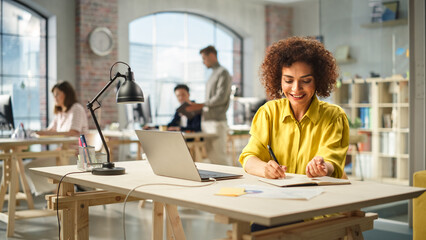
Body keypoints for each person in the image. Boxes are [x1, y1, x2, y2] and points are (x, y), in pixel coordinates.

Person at [239, 36, 349, 180]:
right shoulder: (268, 113)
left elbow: (332, 161)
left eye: (306, 81)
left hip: (323, 195)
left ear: (318, 80)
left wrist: (323, 168)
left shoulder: (334, 117)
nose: (296, 89)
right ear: (279, 79)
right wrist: (265, 169)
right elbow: (249, 158)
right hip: (281, 195)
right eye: (289, 80)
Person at [186, 46, 232, 165]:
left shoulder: (223, 72)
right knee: (212, 159)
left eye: (204, 58)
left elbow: (220, 98)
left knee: (219, 158)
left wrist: (200, 105)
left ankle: (231, 183)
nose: (203, 61)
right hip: (207, 121)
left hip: (216, 122)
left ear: (212, 55)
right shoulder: (212, 74)